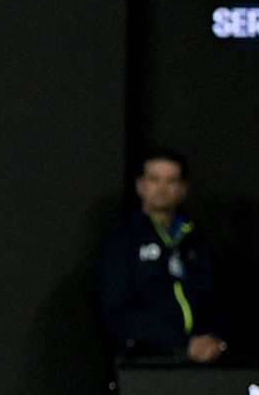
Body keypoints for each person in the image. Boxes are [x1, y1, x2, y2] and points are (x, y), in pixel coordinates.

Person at [95, 149, 229, 362]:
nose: (162, 189)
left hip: (202, 362)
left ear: (183, 189)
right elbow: (117, 314)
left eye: (171, 181)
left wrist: (217, 340)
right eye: (154, 179)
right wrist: (180, 342)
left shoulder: (196, 240)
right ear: (140, 186)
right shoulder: (123, 241)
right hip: (145, 361)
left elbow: (219, 298)